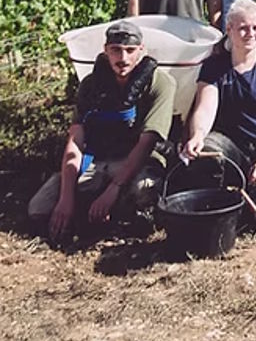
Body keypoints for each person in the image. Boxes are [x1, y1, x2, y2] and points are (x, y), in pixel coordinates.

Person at [29, 20, 175, 243]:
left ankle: (114, 215)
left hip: (137, 161)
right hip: (97, 159)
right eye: (115, 50)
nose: (123, 58)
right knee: (39, 209)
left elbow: (147, 142)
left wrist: (114, 188)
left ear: (141, 50)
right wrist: (66, 197)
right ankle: (89, 213)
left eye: (130, 50)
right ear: (105, 51)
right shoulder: (91, 84)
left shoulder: (161, 82)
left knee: (144, 190)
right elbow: (75, 140)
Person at [180, 0, 256, 233]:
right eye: (243, 28)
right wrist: (197, 135)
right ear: (229, 30)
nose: (250, 34)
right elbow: (205, 107)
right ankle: (216, 205)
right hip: (230, 147)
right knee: (207, 149)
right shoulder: (214, 66)